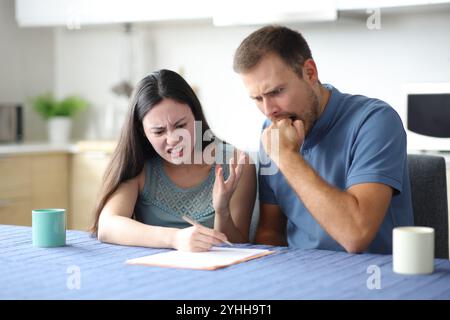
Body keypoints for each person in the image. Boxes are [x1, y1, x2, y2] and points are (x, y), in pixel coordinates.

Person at [233, 25, 413, 254]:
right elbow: (271, 231)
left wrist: (287, 158)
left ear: (310, 73)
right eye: (257, 98)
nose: (269, 110)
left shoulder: (375, 121)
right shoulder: (270, 131)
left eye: (276, 92)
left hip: (373, 276)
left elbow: (356, 235)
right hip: (302, 275)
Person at [91, 69, 256, 252]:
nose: (173, 139)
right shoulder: (141, 166)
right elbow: (107, 226)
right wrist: (175, 238)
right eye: (159, 131)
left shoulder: (237, 163)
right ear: (142, 132)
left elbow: (239, 245)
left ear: (195, 115)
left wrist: (222, 210)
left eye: (180, 125)